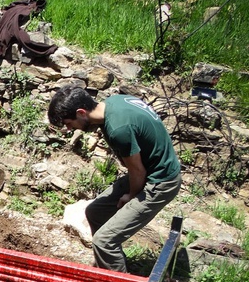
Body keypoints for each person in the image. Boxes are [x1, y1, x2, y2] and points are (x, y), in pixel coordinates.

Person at [47, 86, 181, 272]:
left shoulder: (118, 129)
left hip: (160, 182)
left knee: (103, 241)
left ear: (81, 112)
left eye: (69, 123)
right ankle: (112, 266)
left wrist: (131, 195)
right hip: (150, 170)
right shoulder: (113, 102)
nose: (69, 129)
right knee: (95, 212)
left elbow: (137, 171)